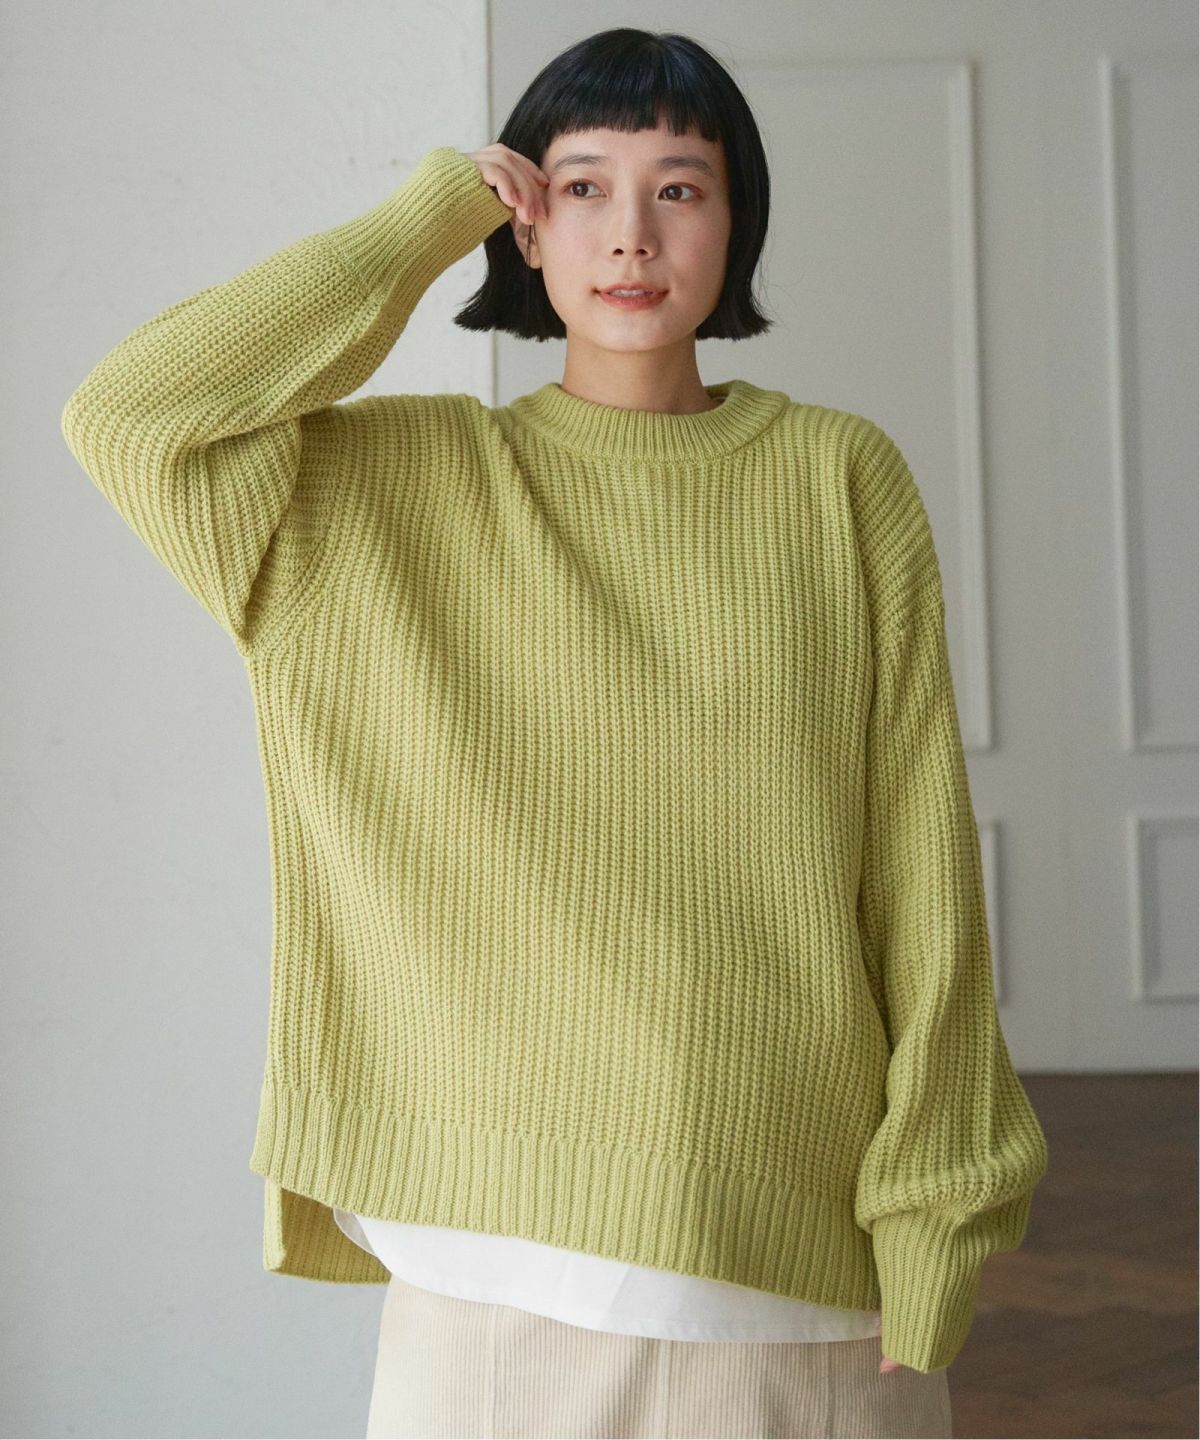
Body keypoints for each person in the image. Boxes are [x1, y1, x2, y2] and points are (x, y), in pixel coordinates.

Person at [60, 25, 1048, 1440]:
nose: (631, 233)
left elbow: (921, 869)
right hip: (485, 1265)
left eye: (680, 187)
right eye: (581, 187)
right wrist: (425, 219)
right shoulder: (380, 489)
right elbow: (132, 415)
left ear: (736, 223)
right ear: (524, 226)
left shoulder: (838, 477)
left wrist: (938, 1212)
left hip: (781, 1251)